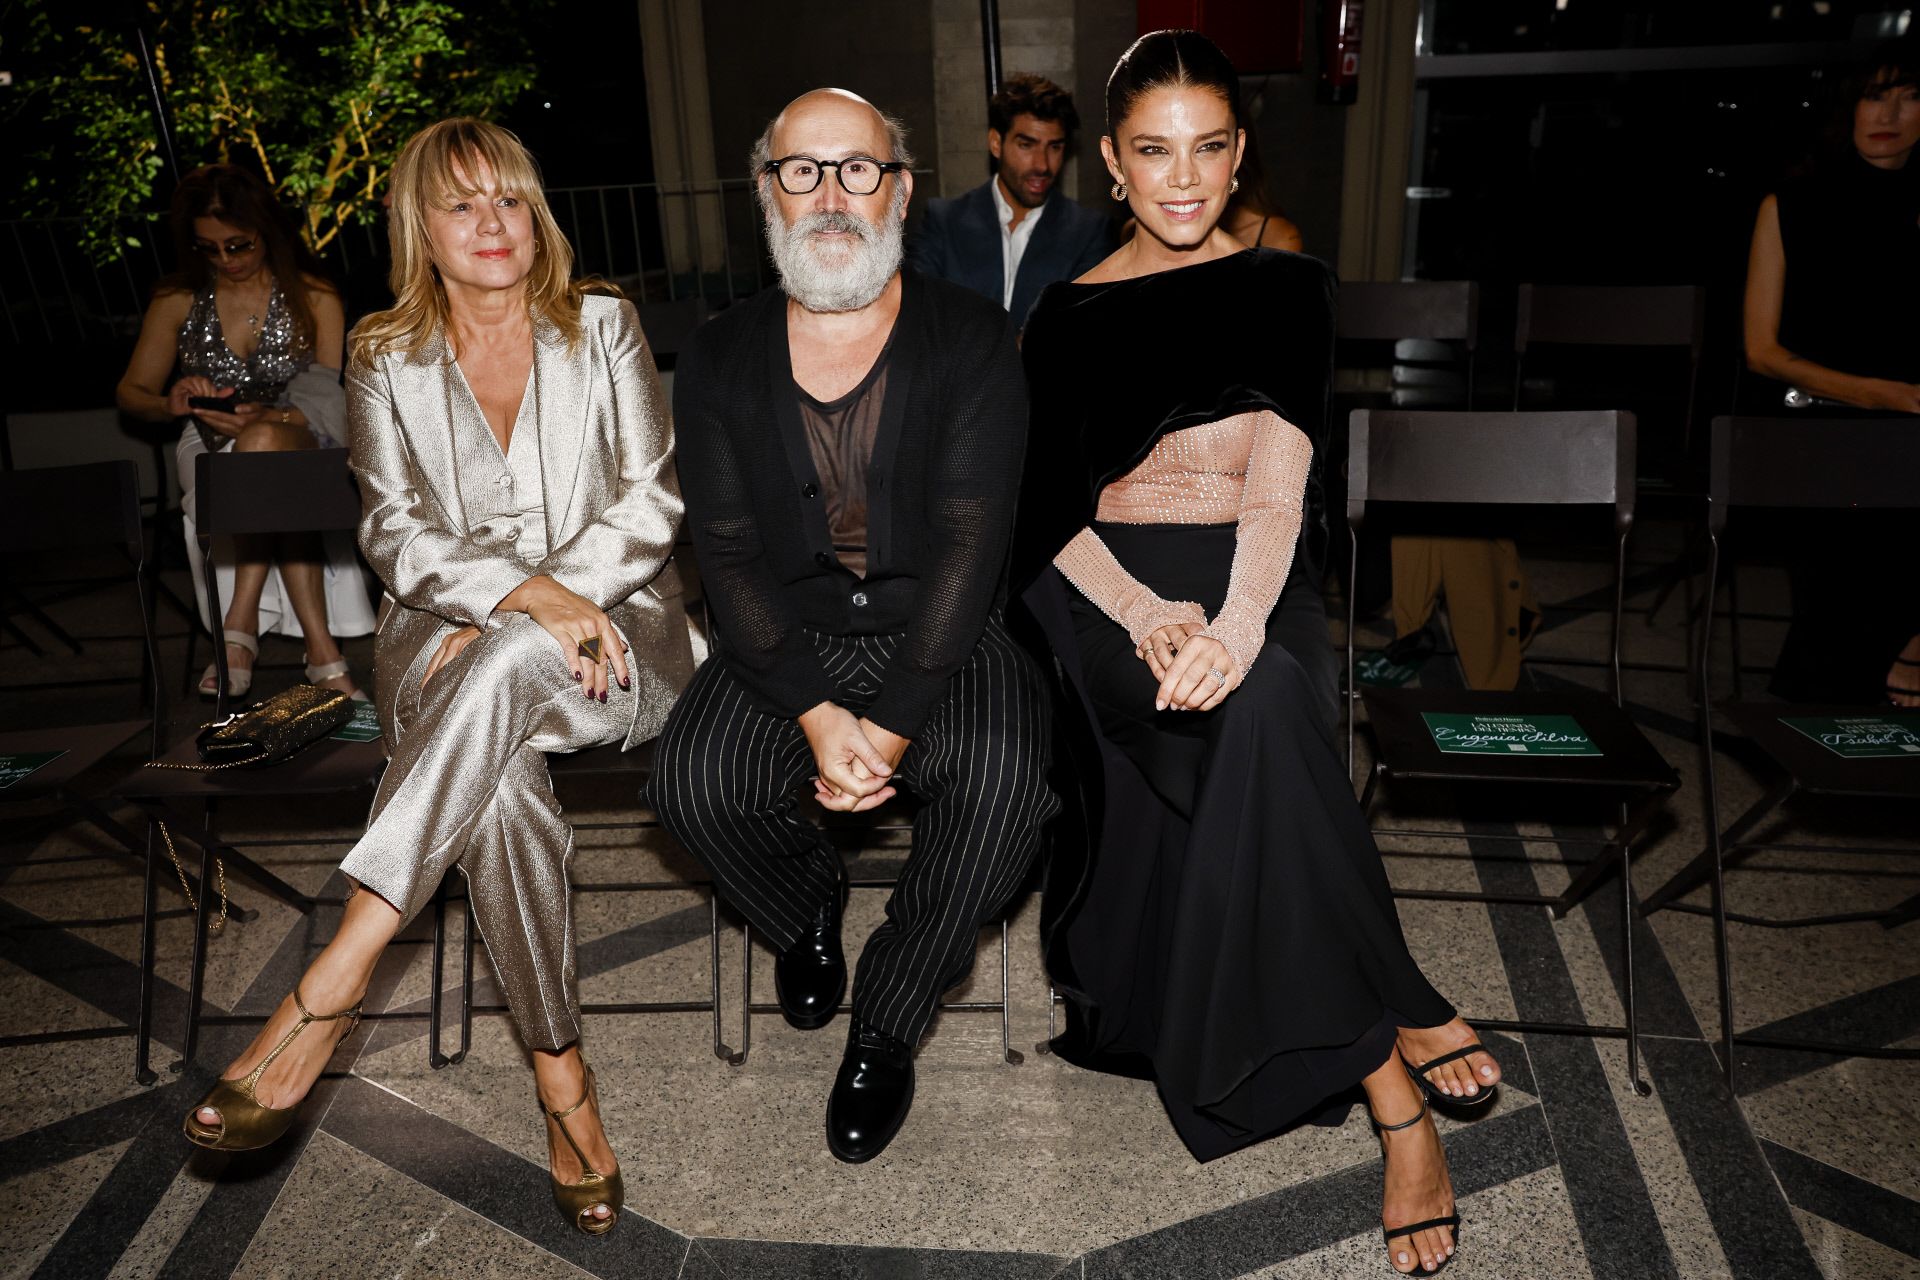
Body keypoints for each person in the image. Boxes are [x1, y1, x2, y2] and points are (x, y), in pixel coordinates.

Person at [1013, 32, 1499, 1276]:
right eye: (1154, 151)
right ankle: (1397, 1050)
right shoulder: (1064, 316)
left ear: (1240, 157)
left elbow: (1279, 499)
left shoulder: (1289, 288)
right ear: (1111, 165)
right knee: (1267, 709)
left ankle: (1381, 1068)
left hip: (1252, 588)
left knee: (1267, 693)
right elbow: (1044, 523)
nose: (1184, 178)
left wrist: (1229, 628)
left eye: (1210, 148)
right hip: (1113, 604)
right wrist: (1154, 621)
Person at [181, 119, 694, 1239]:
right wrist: (508, 603)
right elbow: (394, 533)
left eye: (509, 199)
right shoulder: (383, 352)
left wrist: (542, 598)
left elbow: (651, 503)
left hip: (619, 640)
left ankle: (340, 967)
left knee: (510, 662)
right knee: (499, 776)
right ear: (420, 226)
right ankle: (568, 1096)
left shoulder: (602, 324)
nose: (493, 225)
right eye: (462, 205)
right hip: (445, 643)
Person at [649, 89, 1059, 1165]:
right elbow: (729, 555)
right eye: (802, 171)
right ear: (765, 192)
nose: (831, 194)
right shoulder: (720, 353)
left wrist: (890, 727)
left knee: (1008, 781)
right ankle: (808, 906)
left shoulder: (972, 338)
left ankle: (887, 1018)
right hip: (789, 632)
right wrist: (819, 711)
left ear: (902, 189)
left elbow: (975, 548)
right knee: (690, 784)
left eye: (858, 169)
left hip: (944, 629)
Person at [116, 164, 375, 698]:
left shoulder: (314, 294)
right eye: (209, 249)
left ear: (267, 233)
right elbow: (130, 395)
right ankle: (322, 652)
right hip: (206, 438)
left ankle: (238, 634)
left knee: (263, 450)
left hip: (304, 432)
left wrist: (269, 418)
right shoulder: (178, 300)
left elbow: (329, 398)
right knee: (263, 465)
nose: (226, 260)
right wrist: (171, 403)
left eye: (238, 245)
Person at [1744, 35, 1920, 706]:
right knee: (1869, 524)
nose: (1890, 115)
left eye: (1910, 98)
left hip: (1909, 423)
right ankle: (1877, 664)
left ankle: (1858, 673)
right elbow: (1761, 351)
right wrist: (1879, 394)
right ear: (1849, 108)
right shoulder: (1789, 206)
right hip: (1810, 418)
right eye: (1876, 96)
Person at [909, 73, 1113, 328]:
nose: (1042, 165)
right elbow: (916, 319)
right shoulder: (943, 221)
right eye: (1026, 145)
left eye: (1055, 147)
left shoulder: (1089, 232)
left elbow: (1081, 331)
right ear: (996, 143)